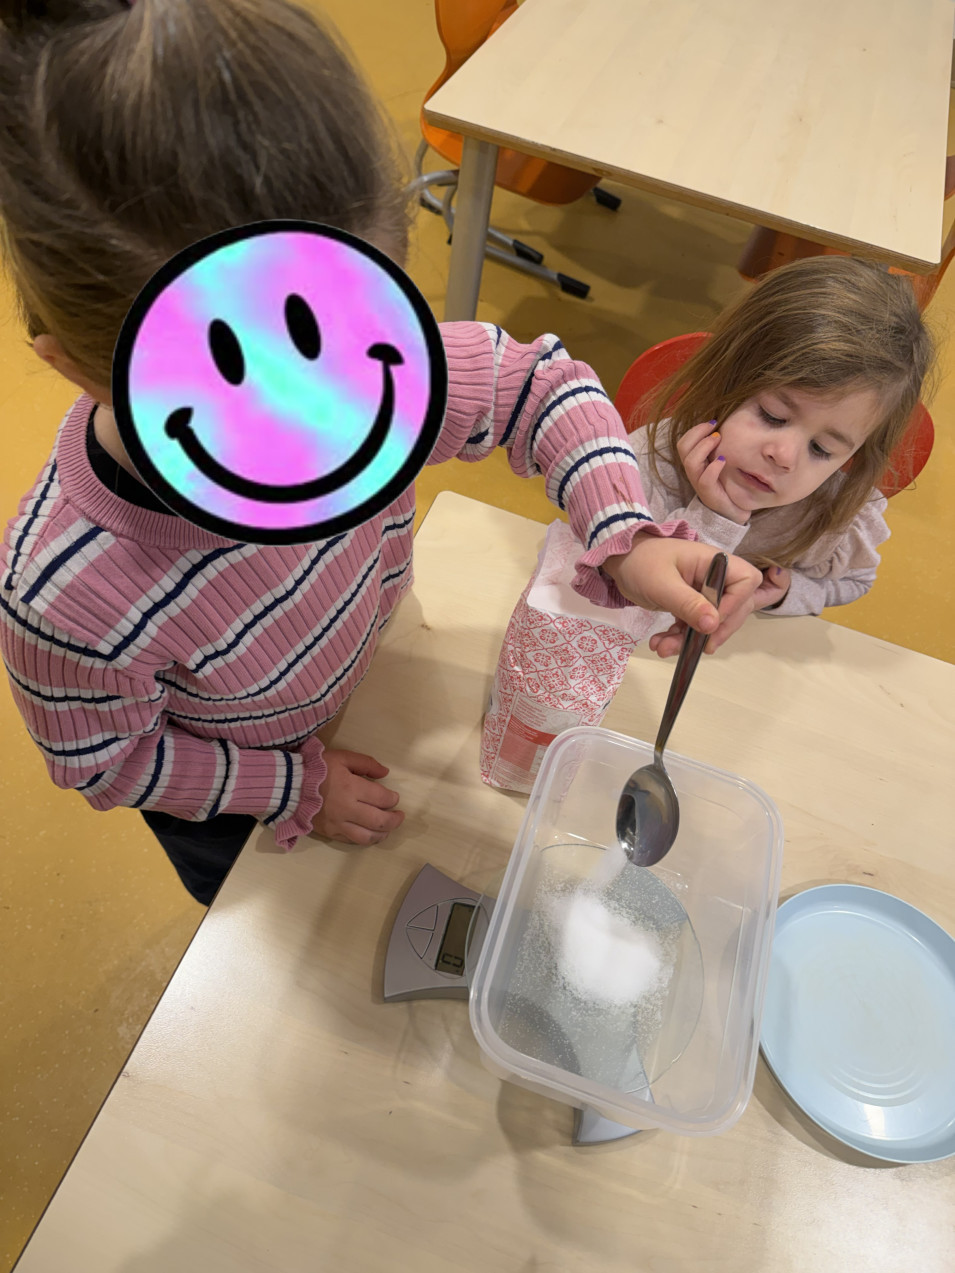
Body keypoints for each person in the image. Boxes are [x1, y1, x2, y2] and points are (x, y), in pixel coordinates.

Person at [0, 0, 759, 906]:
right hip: (242, 793)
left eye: (350, 362)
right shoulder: (66, 598)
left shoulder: (378, 372)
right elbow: (110, 761)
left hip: (369, 662)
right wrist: (289, 788)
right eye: (263, 421)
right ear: (78, 367)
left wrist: (625, 537)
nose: (337, 446)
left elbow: (535, 385)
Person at [630, 257, 935, 618]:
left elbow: (856, 581)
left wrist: (783, 593)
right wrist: (715, 521)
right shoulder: (645, 467)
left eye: (822, 449)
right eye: (772, 415)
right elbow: (627, 598)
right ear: (725, 381)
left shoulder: (834, 512)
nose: (784, 456)